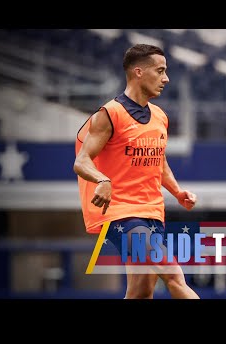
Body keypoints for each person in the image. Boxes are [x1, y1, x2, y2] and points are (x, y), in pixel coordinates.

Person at [74, 44, 199, 299]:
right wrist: (102, 179)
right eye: (160, 71)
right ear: (138, 72)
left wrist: (177, 191)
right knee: (173, 274)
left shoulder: (160, 116)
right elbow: (82, 161)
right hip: (122, 215)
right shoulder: (110, 114)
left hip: (152, 212)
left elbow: (159, 161)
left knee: (140, 293)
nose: (166, 79)